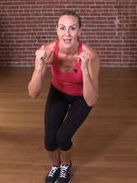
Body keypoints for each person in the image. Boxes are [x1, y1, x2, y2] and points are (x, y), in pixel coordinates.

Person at [28, 10, 100, 183]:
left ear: (80, 31)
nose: (67, 34)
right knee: (49, 142)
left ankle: (66, 164)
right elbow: (33, 93)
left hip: (81, 97)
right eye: (62, 28)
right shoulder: (48, 52)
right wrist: (39, 69)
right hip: (58, 92)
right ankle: (55, 165)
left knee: (62, 137)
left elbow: (91, 100)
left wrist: (83, 70)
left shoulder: (91, 56)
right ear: (57, 30)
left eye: (72, 28)